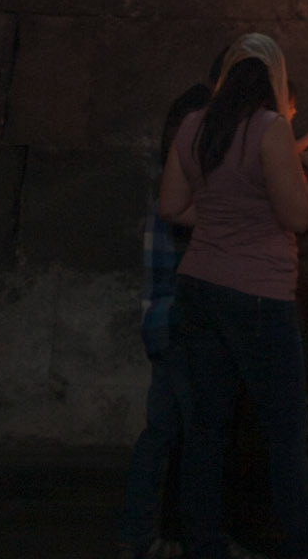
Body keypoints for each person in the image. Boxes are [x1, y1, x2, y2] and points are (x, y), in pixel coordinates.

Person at [159, 32, 308, 559]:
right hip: (259, 295)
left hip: (199, 287)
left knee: (206, 428)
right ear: (273, 80)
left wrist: (221, 217)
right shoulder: (270, 128)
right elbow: (297, 215)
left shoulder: (194, 125)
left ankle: (203, 544)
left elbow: (172, 206)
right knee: (286, 432)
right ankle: (307, 548)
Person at [116, 80, 212, 559]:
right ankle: (182, 536)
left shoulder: (174, 188)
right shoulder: (182, 198)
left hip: (165, 324)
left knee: (164, 434)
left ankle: (144, 535)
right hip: (181, 326)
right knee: (192, 437)